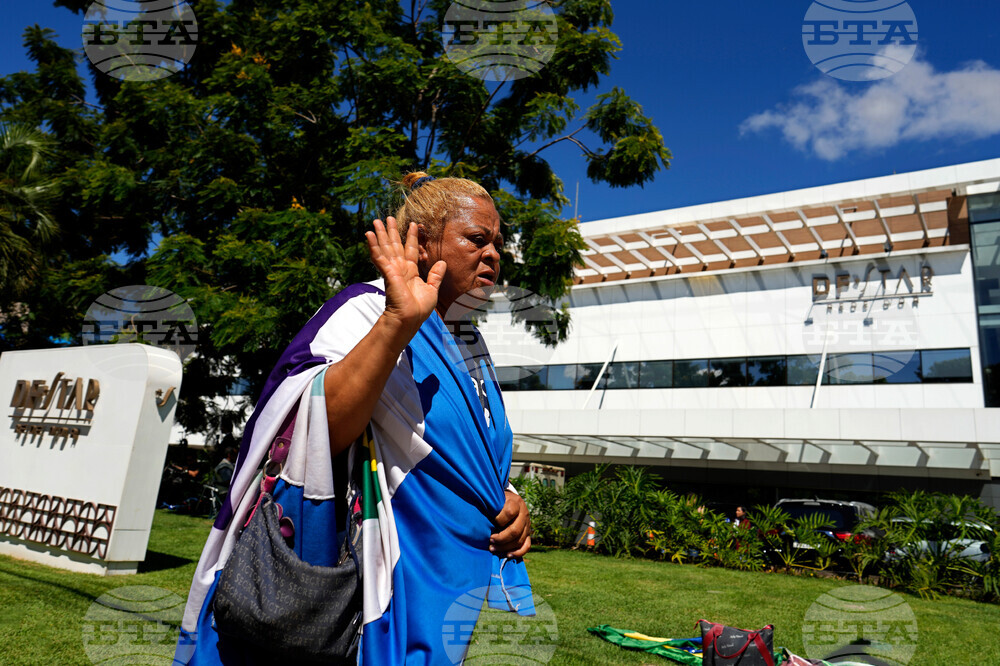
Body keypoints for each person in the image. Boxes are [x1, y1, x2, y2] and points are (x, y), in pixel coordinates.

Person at [176, 173, 532, 664]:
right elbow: (312, 428)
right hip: (379, 581)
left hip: (448, 588)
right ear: (424, 242)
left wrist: (512, 499)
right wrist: (397, 324)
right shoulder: (367, 310)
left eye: (497, 242)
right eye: (477, 239)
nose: (494, 253)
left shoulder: (471, 345)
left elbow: (471, 456)